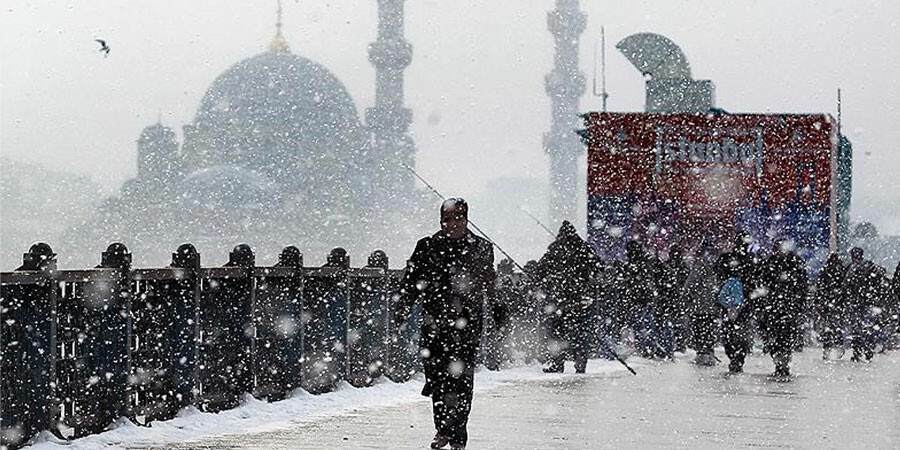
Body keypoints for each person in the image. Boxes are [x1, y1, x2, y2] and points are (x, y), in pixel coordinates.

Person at [397, 198, 495, 450]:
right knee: (437, 378)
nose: (452, 224)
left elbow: (489, 283)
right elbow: (411, 282)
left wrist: (498, 310)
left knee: (462, 381)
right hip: (435, 324)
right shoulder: (427, 246)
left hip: (467, 325)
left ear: (466, 219)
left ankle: (458, 435)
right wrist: (402, 308)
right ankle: (443, 427)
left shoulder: (481, 248)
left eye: (457, 218)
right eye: (447, 219)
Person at [532, 221, 600, 373]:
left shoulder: (555, 249)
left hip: (560, 299)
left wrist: (541, 280)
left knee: (557, 331)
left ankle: (557, 363)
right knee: (581, 332)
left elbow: (540, 269)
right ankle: (581, 362)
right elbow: (598, 267)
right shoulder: (585, 248)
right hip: (580, 298)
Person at [758, 240, 809, 379]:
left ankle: (783, 363)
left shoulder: (794, 263)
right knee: (773, 337)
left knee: (785, 337)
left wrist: (798, 303)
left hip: (788, 307)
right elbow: (764, 283)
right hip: (775, 307)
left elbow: (802, 285)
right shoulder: (772, 263)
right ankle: (779, 362)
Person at [715, 235, 757, 373]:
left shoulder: (727, 258)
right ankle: (738, 359)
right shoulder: (750, 260)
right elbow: (755, 282)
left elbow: (718, 276)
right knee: (740, 333)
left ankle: (734, 357)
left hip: (729, 304)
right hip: (743, 304)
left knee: (729, 332)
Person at [618, 240, 659, 358]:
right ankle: (649, 347)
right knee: (646, 324)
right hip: (645, 298)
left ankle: (645, 347)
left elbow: (634, 279)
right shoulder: (645, 262)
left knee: (640, 325)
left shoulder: (636, 264)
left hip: (638, 298)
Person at [686, 243, 720, 366]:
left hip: (700, 305)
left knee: (699, 329)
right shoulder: (717, 264)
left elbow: (691, 283)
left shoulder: (699, 265)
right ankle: (709, 352)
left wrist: (687, 296)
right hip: (713, 304)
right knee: (710, 329)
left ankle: (702, 353)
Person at [843, 247, 879, 361]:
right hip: (867, 301)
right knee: (866, 327)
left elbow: (845, 285)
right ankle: (867, 350)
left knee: (857, 328)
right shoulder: (870, 266)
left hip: (857, 302)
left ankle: (858, 351)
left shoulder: (852, 268)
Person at [655, 245, 689, 359]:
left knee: (667, 323)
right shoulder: (681, 266)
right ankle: (678, 344)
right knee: (677, 322)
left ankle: (669, 345)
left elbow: (660, 281)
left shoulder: (667, 266)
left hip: (669, 298)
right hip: (675, 298)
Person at [815, 253, 848, 359]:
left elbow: (820, 288)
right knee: (835, 327)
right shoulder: (842, 271)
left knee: (829, 327)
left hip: (830, 303)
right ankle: (835, 347)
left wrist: (819, 301)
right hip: (835, 303)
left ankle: (829, 348)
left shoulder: (826, 271)